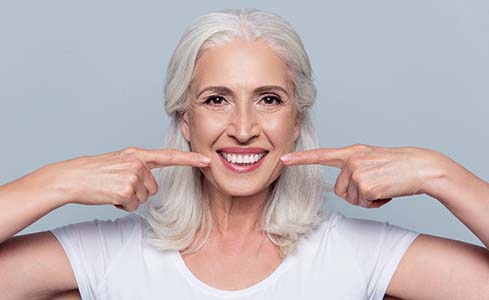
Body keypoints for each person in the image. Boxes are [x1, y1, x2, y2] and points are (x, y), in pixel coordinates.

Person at [1, 8, 488, 300]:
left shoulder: (357, 252)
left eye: (269, 100)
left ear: (296, 120)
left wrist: (438, 173)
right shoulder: (109, 253)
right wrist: (56, 182)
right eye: (216, 99)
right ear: (185, 120)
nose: (242, 129)